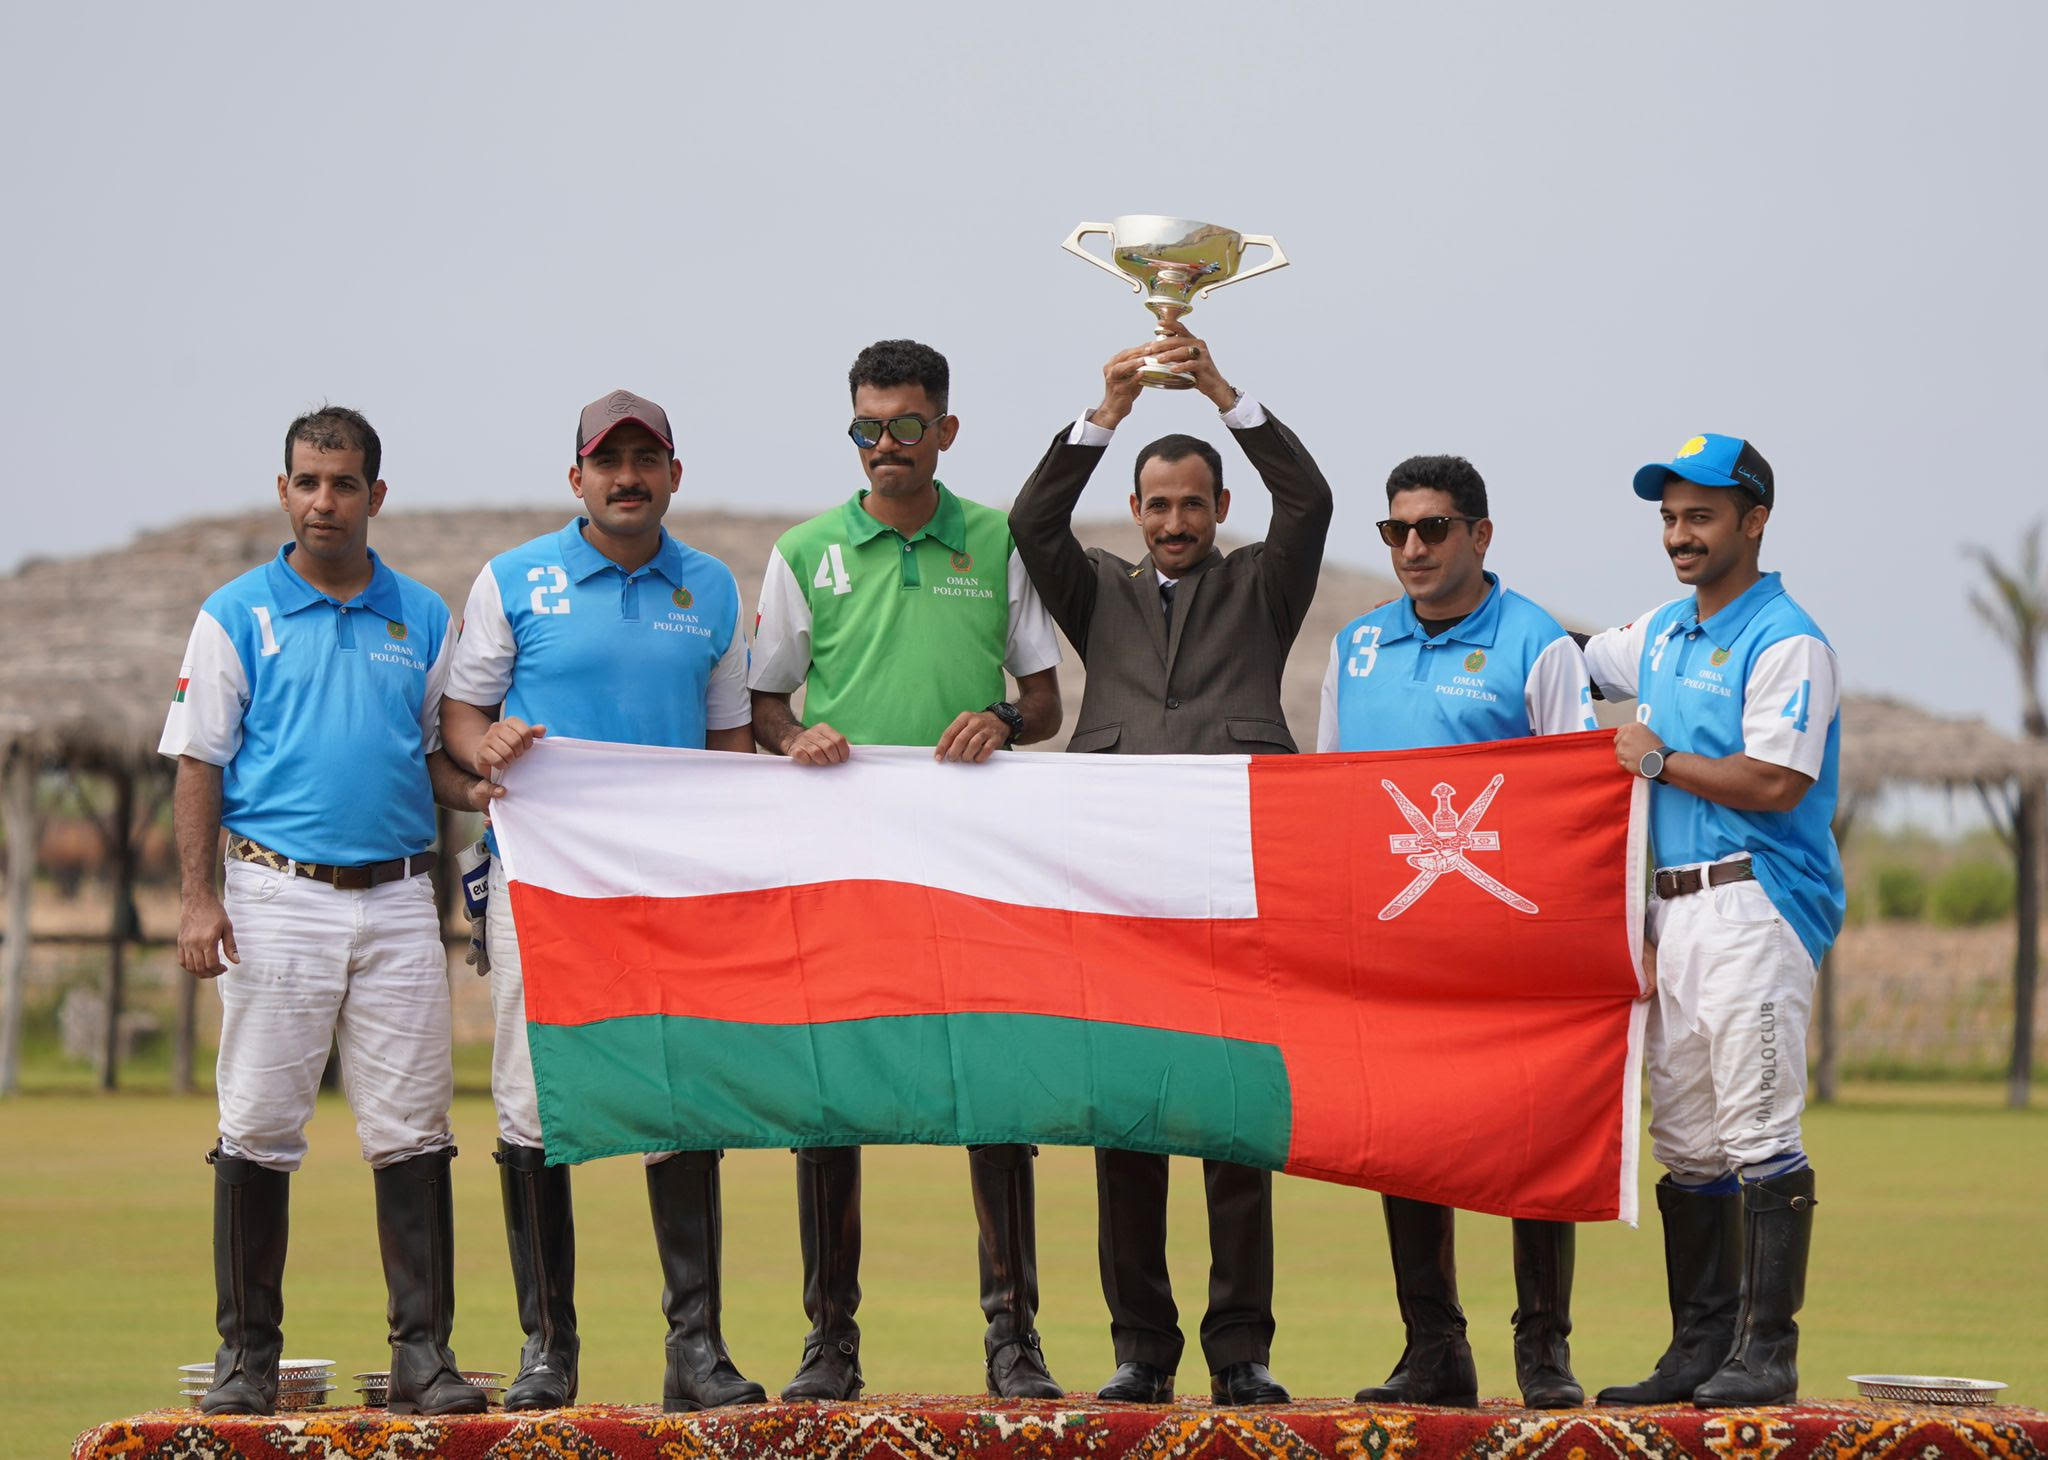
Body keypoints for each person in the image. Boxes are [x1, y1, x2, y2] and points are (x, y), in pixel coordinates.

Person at [1008, 323, 1331, 1407]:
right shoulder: (1092, 592)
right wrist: (1105, 412)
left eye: (1193, 503)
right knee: (1127, 1130)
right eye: (1157, 504)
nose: (1176, 521)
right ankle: (1141, 1347)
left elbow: (1311, 502)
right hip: (1118, 904)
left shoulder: (1264, 587)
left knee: (1235, 1131)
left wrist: (1222, 390)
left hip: (1232, 899)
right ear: (1136, 512)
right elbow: (1030, 518)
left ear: (1218, 509)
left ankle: (1240, 1349)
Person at [748, 338, 1065, 1401]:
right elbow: (762, 705)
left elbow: (1045, 702)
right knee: (831, 1097)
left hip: (969, 859)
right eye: (866, 429)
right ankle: (828, 1343)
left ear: (947, 430)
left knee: (992, 1089)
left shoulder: (994, 539)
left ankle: (1011, 1339)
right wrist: (795, 739)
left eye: (906, 426)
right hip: (845, 861)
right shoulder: (803, 552)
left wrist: (1000, 718)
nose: (885, 446)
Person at [162, 406, 490, 1417]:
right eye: (306, 480)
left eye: (343, 483)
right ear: (283, 489)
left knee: (414, 1127)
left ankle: (424, 1352)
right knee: (258, 1125)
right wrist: (197, 896)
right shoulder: (235, 612)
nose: (323, 500)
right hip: (275, 894)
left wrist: (484, 784)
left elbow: (436, 756)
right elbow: (198, 759)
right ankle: (247, 1357)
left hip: (397, 896)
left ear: (374, 495)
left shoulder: (422, 616)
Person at [439, 389, 762, 1413]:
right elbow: (461, 712)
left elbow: (728, 743)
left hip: (669, 890)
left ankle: (695, 1349)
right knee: (535, 1101)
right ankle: (546, 1347)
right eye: (606, 459)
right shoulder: (512, 578)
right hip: (541, 879)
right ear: (575, 476)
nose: (627, 476)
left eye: (645, 459)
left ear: (672, 473)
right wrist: (477, 747)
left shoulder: (708, 587)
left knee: (682, 1102)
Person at [1316, 453, 1596, 1410]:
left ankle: (1544, 1352)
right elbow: (1333, 799)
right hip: (1394, 950)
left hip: (1509, 944)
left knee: (1532, 1138)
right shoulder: (1355, 647)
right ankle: (1435, 1349)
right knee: (1409, 1139)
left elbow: (1575, 800)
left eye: (1433, 528)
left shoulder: (1539, 644)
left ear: (1481, 533)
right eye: (1396, 531)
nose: (1412, 548)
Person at [1583, 434, 1840, 1408]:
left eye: (1699, 516)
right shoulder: (1657, 631)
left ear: (1752, 519)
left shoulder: (1786, 637)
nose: (1678, 535)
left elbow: (1777, 778)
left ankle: (1764, 1352)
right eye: (1666, 517)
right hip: (1668, 907)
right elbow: (1570, 658)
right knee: (1685, 1141)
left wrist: (1650, 759)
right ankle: (1696, 1350)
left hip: (1752, 898)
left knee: (1753, 1129)